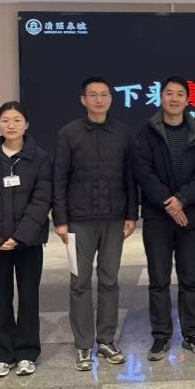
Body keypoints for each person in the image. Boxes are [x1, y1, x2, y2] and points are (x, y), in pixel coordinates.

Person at [53, 77, 138, 371]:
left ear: (111, 99)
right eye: (93, 95)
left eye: (104, 95)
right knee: (79, 282)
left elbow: (130, 176)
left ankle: (106, 340)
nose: (99, 100)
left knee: (110, 280)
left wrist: (132, 213)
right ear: (83, 100)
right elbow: (59, 178)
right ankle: (83, 344)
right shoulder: (69, 133)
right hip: (79, 221)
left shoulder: (123, 133)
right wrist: (60, 220)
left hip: (114, 218)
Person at [132, 75, 195, 361]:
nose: (174, 98)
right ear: (161, 97)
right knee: (158, 279)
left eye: (180, 94)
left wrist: (182, 200)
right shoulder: (146, 133)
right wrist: (169, 203)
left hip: (189, 216)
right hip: (158, 217)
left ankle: (191, 333)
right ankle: (161, 336)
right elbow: (143, 171)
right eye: (169, 93)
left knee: (189, 278)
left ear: (188, 100)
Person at [0, 101, 52, 378]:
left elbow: (42, 200)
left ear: (26, 124)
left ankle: (27, 353)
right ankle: (3, 355)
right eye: (6, 120)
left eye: (17, 120)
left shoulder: (40, 158)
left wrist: (20, 236)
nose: (11, 125)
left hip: (28, 242)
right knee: (0, 298)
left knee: (29, 298)